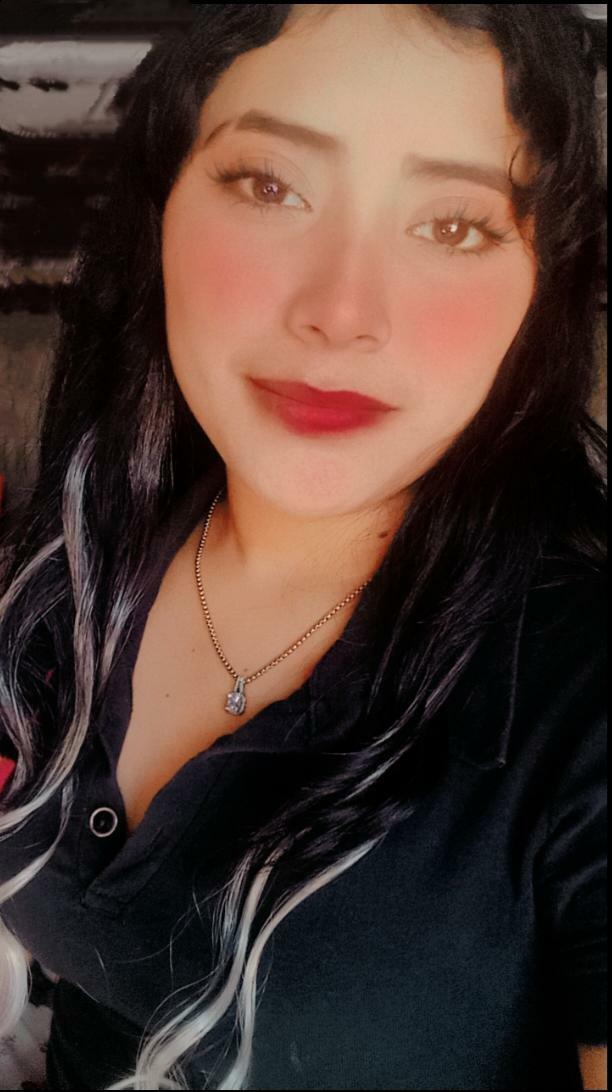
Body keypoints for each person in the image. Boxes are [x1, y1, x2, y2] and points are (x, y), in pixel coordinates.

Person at [0, 4, 607, 1089]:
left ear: (540, 283)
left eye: (453, 225)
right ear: (160, 209)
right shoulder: (72, 556)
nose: (344, 310)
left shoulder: (580, 695)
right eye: (271, 185)